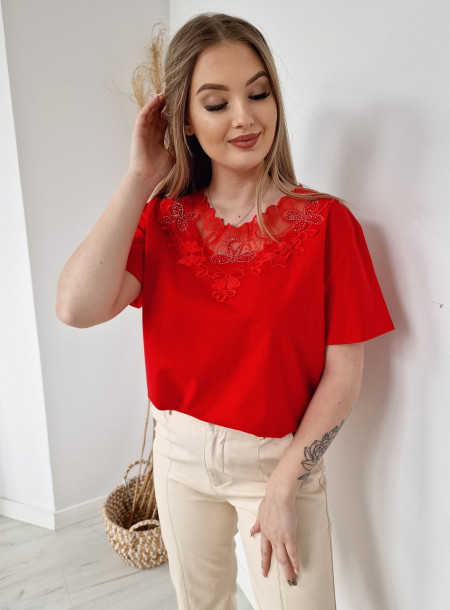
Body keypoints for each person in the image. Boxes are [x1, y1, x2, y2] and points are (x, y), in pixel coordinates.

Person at [56, 12, 394, 610]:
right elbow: (75, 306)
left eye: (258, 94)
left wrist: (286, 482)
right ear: (184, 120)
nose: (245, 116)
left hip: (277, 463)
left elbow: (344, 375)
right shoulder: (162, 220)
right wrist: (139, 177)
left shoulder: (327, 225)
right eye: (217, 103)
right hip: (178, 455)